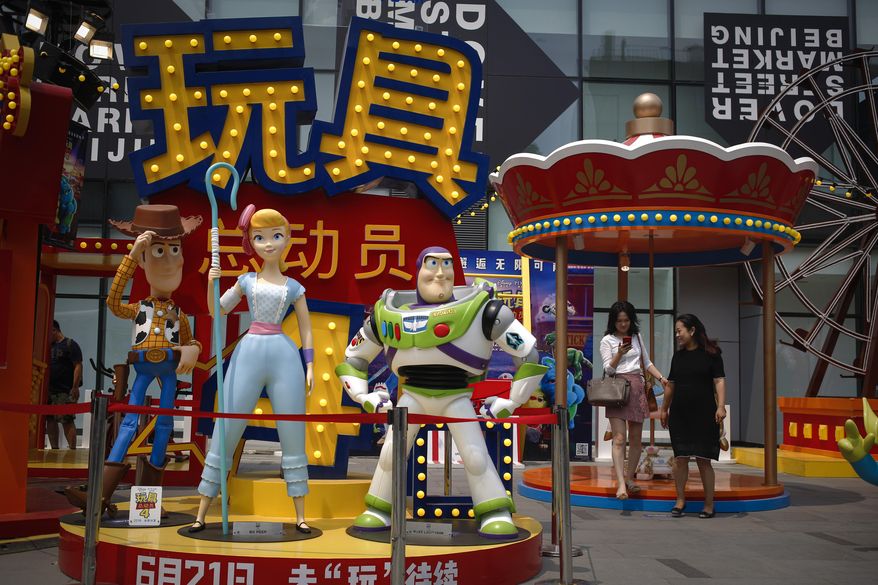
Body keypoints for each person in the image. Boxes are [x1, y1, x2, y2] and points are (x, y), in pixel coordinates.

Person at [336, 246, 547, 538]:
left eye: (446, 265)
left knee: (475, 456)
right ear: (418, 269)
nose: (440, 273)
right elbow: (354, 359)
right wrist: (363, 396)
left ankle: (494, 510)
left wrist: (513, 400)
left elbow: (529, 356)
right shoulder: (385, 313)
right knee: (390, 454)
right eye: (432, 264)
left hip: (456, 396)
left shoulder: (485, 310)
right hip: (412, 395)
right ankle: (378, 508)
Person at [65, 204, 203, 517]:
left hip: (168, 371)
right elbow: (113, 301)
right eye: (157, 251)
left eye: (174, 250)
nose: (168, 260)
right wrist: (131, 255)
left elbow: (190, 339)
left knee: (164, 424)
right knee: (128, 423)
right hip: (142, 370)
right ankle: (99, 495)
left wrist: (191, 348)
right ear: (143, 258)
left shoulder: (178, 314)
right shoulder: (138, 307)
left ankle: (148, 503)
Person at [190, 205, 314, 534]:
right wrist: (211, 283)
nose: (268, 244)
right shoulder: (246, 281)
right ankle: (202, 509)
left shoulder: (294, 287)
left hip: (285, 357)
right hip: (249, 353)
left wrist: (311, 364)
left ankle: (300, 512)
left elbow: (307, 329)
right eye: (259, 237)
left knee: (292, 432)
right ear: (251, 242)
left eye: (276, 236)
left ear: (287, 239)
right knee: (226, 427)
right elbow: (216, 311)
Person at [660, 313, 726, 518]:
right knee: (680, 459)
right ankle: (680, 501)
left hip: (705, 413)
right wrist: (664, 409)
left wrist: (721, 407)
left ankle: (708, 504)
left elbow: (719, 381)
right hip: (680, 413)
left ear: (692, 330)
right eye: (676, 332)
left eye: (680, 331)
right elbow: (671, 384)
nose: (677, 335)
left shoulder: (712, 354)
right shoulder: (678, 357)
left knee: (703, 460)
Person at [599, 301, 667, 499]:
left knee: (636, 438)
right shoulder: (607, 340)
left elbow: (646, 362)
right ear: (613, 321)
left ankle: (630, 478)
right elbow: (608, 370)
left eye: (626, 320)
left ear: (631, 320)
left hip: (637, 386)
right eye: (619, 321)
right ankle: (621, 483)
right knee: (619, 438)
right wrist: (619, 353)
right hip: (617, 388)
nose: (623, 324)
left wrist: (662, 379)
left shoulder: (637, 336)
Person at [46, 320, 82, 449]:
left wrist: (75, 386)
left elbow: (78, 365)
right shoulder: (49, 347)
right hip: (49, 390)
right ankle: (54, 448)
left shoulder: (70, 345)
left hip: (65, 390)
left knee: (66, 420)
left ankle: (72, 450)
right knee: (50, 419)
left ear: (54, 330)